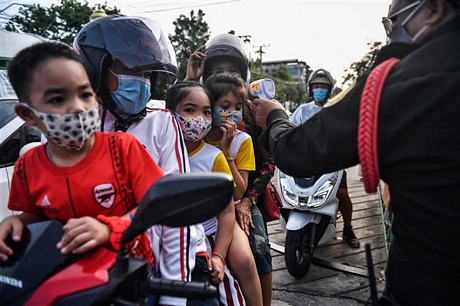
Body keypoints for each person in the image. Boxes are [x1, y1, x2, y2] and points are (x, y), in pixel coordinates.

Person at [253, 1, 460, 305]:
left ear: (434, 8)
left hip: (425, 283)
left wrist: (274, 117)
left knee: (345, 197)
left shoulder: (394, 83)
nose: (396, 32)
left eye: (397, 22)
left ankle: (348, 227)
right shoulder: (305, 108)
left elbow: (297, 150)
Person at [73, 15, 200, 306]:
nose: (141, 82)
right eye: (128, 69)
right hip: (79, 273)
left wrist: (172, 295)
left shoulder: (161, 123)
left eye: (146, 74)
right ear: (94, 69)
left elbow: (175, 214)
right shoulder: (68, 127)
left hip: (145, 272)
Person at [0, 41, 162, 265]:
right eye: (57, 99)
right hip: (65, 279)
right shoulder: (26, 166)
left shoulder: (124, 148)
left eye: (85, 94)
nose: (77, 107)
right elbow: (35, 215)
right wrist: (17, 225)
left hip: (129, 277)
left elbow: (155, 204)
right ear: (27, 115)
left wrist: (109, 229)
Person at [186, 33, 274, 306]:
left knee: (257, 248)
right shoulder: (197, 122)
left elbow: (269, 165)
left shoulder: (254, 115)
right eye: (217, 71)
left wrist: (247, 201)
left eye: (232, 71)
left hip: (244, 194)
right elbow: (176, 112)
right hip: (205, 202)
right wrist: (189, 77)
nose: (225, 76)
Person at [165, 81, 243, 306]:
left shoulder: (214, 157)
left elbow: (227, 212)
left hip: (208, 240)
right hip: (172, 242)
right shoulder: (161, 151)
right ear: (170, 114)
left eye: (207, 112)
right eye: (190, 110)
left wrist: (218, 256)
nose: (199, 118)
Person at [204, 73, 263, 306]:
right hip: (200, 208)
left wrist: (226, 151)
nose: (232, 112)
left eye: (238, 107)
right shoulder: (195, 134)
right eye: (225, 106)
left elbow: (239, 192)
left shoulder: (242, 141)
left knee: (244, 261)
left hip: (228, 210)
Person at [290, 68, 360, 248]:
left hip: (332, 162)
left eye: (323, 87)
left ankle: (348, 228)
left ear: (329, 90)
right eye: (316, 87)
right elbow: (290, 131)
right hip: (306, 161)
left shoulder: (337, 108)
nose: (319, 90)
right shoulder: (302, 110)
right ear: (310, 89)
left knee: (342, 194)